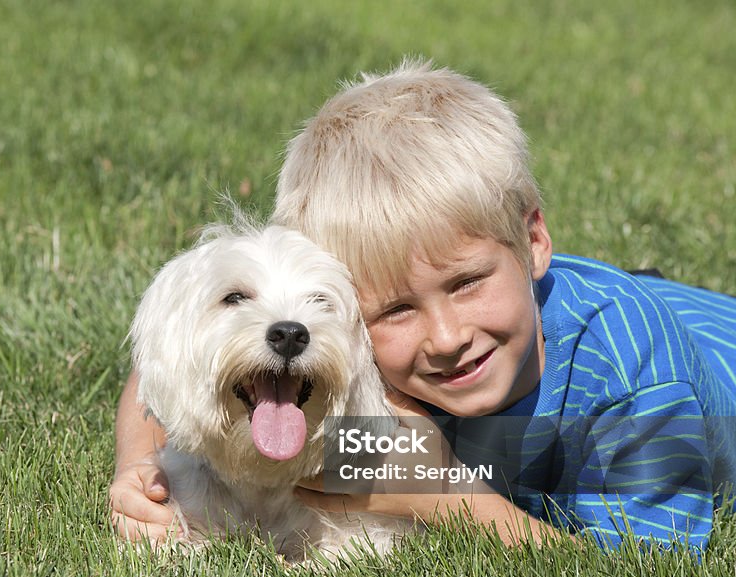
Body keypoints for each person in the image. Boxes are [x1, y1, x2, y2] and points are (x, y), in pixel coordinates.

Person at [111, 59, 736, 552]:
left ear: (534, 241)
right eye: (398, 310)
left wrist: (438, 491)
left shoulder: (636, 384)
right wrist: (141, 471)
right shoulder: (352, 338)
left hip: (700, 336)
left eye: (466, 283)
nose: (444, 337)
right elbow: (172, 358)